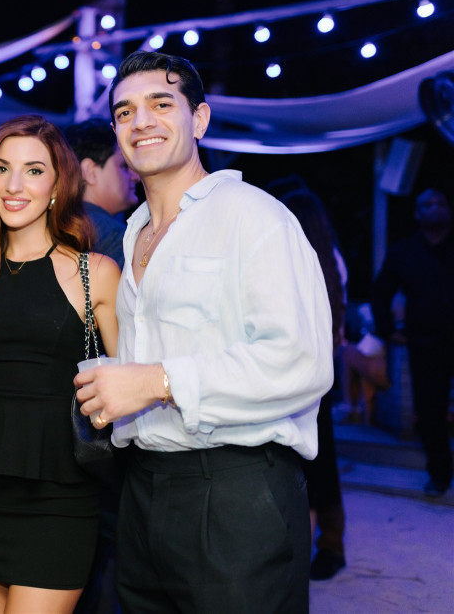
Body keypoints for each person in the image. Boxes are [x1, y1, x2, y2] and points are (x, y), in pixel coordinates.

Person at [74, 51, 333, 613]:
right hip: (144, 492)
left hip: (237, 492)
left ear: (200, 119)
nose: (140, 121)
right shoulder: (133, 234)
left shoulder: (254, 216)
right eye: (124, 112)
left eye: (161, 104)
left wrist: (157, 381)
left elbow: (303, 361)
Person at [0, 115, 120, 614]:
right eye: (2, 169)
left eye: (34, 170)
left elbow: (129, 383)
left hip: (60, 495)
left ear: (57, 185)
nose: (15, 184)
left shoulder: (96, 275)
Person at [63, 117, 138, 613]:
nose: (130, 176)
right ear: (89, 169)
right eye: (120, 166)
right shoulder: (117, 237)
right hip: (97, 430)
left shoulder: (37, 229)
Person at [278, 188, 349, 580]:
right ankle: (326, 547)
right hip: (319, 374)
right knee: (320, 465)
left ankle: (315, 551)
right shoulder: (332, 260)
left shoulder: (297, 258)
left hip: (300, 377)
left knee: (311, 466)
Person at [370, 187, 454, 498]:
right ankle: (440, 474)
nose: (434, 208)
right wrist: (388, 329)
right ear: (417, 214)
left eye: (440, 202)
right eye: (426, 204)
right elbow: (380, 291)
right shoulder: (404, 252)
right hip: (426, 342)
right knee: (430, 412)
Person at [64, 117, 140, 268]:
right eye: (124, 166)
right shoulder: (115, 237)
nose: (136, 176)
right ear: (90, 171)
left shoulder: (55, 225)